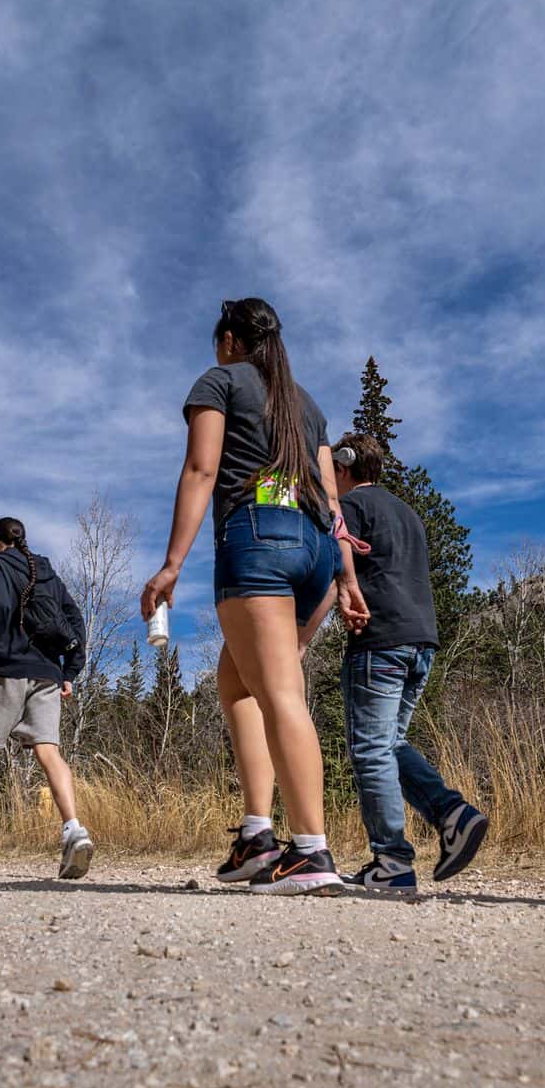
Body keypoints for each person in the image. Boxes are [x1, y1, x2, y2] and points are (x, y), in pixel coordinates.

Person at [142, 297, 368, 896]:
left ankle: (312, 851)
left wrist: (171, 566)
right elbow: (331, 499)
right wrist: (345, 577)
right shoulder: (308, 403)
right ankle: (256, 836)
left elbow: (201, 470)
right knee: (237, 682)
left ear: (229, 340)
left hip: (259, 536)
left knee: (279, 694)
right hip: (315, 548)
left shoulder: (220, 381)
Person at [331, 433, 489, 892]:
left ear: (343, 465)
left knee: (370, 749)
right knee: (390, 742)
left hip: (379, 641)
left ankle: (392, 860)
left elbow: (335, 564)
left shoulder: (353, 510)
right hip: (421, 641)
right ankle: (452, 814)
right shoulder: (408, 514)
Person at [0, 518, 92, 879]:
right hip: (47, 673)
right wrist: (70, 671)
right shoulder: (47, 572)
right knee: (48, 751)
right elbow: (74, 617)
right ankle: (73, 829)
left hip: (7, 669)